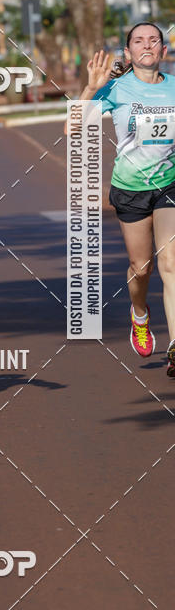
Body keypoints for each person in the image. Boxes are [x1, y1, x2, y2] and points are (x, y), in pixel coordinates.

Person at [81, 22, 175, 376]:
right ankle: (139, 314)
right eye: (139, 40)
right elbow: (71, 126)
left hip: (169, 185)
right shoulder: (116, 89)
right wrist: (92, 87)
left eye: (154, 39)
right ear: (129, 53)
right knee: (142, 268)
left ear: (164, 51)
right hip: (131, 188)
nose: (147, 44)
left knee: (171, 265)